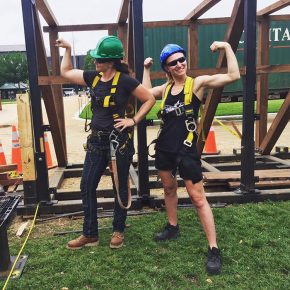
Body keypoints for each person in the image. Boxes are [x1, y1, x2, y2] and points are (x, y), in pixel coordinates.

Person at [143, 41, 240, 274]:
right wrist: (146, 70)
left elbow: (233, 75)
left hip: (186, 150)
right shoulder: (165, 90)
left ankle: (214, 249)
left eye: (181, 59)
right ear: (166, 68)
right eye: (173, 62)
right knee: (168, 188)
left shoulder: (196, 84)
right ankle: (173, 226)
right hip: (164, 148)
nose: (180, 64)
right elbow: (144, 94)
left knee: (198, 198)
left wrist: (226, 47)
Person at [56, 36, 155, 250]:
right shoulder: (93, 77)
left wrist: (134, 120)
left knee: (119, 187)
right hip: (96, 142)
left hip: (118, 143)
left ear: (111, 62)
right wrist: (68, 49)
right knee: (86, 185)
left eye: (99, 59)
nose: (95, 62)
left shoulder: (126, 80)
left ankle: (118, 230)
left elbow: (149, 98)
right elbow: (66, 72)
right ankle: (90, 234)